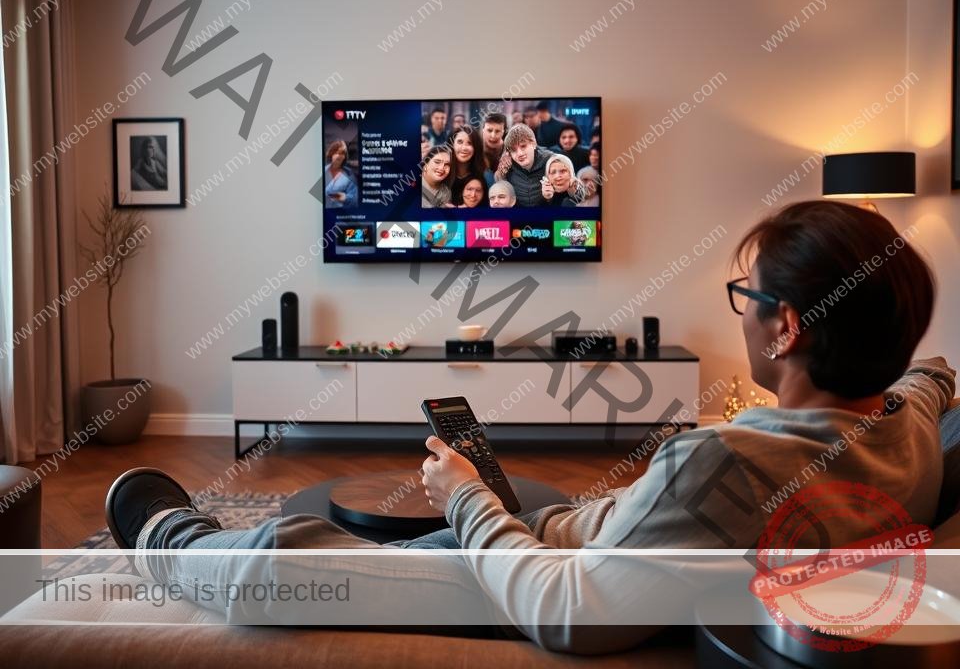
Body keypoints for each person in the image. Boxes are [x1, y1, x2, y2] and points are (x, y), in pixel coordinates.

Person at [104, 201, 952, 655]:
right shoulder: (903, 425)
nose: (737, 316)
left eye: (747, 299)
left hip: (558, 584)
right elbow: (932, 375)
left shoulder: (720, 459)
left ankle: (165, 537)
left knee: (286, 561)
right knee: (376, 549)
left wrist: (470, 500)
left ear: (787, 328)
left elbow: (570, 614)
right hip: (572, 541)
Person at [495, 124, 574, 207]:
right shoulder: (507, 165)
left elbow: (577, 193)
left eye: (523, 146)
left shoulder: (552, 161)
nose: (520, 154)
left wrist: (551, 196)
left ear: (533, 143)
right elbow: (500, 185)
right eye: (514, 150)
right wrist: (501, 173)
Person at [447, 126, 487, 205]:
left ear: (476, 147)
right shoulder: (442, 173)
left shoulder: (483, 176)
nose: (464, 148)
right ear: (452, 145)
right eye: (460, 142)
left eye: (469, 143)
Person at [322, 140, 358, 208]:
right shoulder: (322, 172)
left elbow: (355, 200)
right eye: (336, 153)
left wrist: (345, 198)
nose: (339, 156)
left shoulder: (349, 175)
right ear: (331, 154)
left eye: (342, 153)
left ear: (344, 157)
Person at [480, 112, 507, 177]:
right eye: (489, 130)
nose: (493, 136)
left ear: (504, 132)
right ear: (483, 130)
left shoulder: (509, 150)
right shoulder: (474, 148)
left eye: (497, 131)